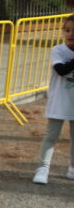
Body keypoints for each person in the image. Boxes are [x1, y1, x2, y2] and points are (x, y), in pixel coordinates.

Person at [32, 14, 74, 184]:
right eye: (67, 30)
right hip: (59, 100)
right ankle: (43, 168)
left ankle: (72, 168)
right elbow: (61, 70)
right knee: (51, 135)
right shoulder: (58, 50)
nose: (70, 34)